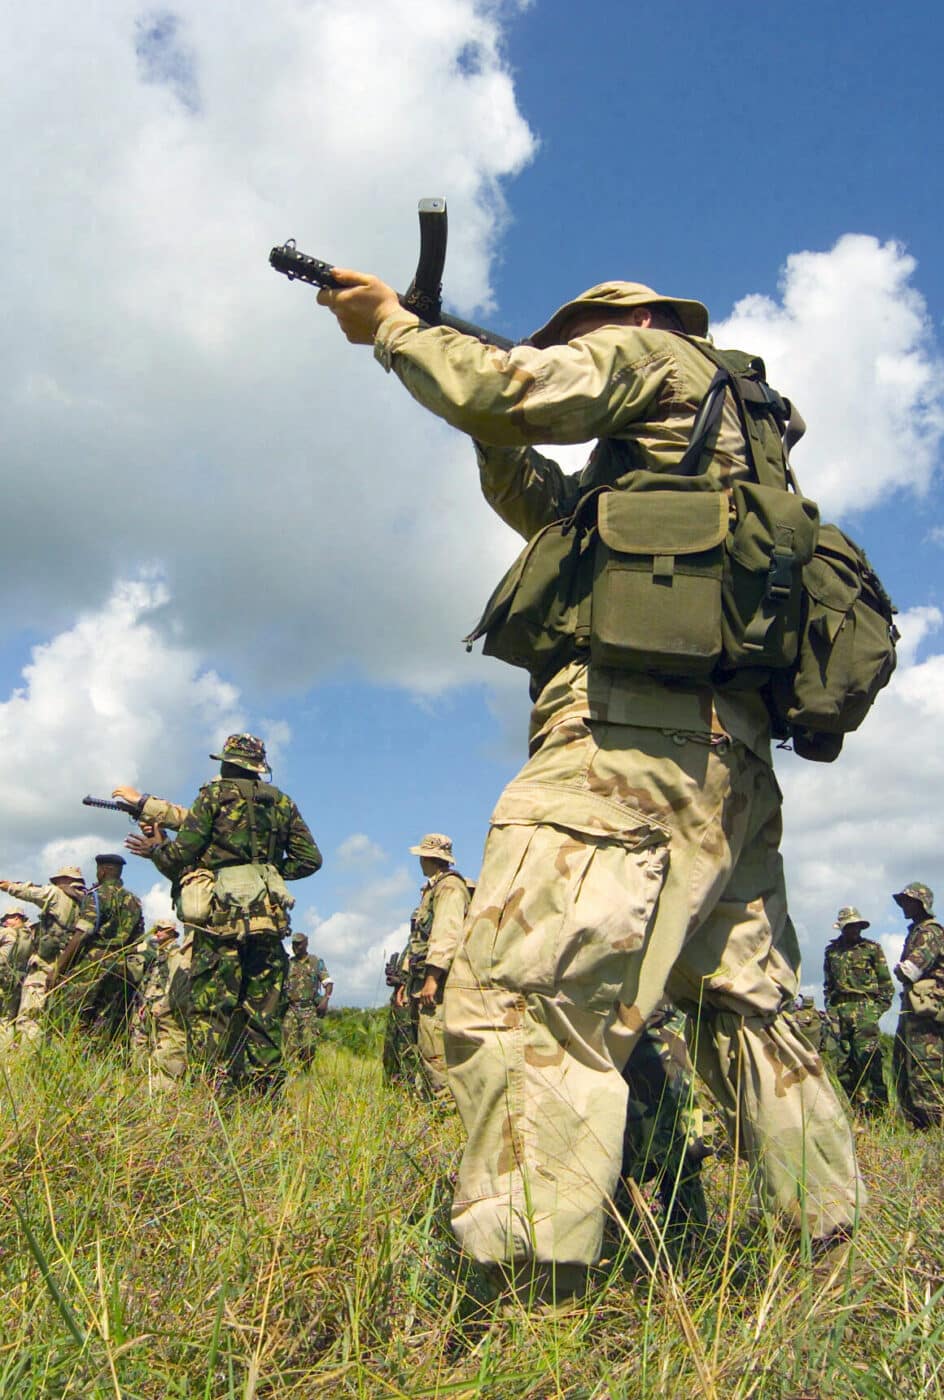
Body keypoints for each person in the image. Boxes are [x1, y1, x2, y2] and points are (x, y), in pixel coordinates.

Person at [317, 271, 863, 1295]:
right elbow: (541, 506)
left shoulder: (652, 355)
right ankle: (828, 1254)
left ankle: (529, 1291)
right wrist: (482, 416)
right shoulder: (707, 450)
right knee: (749, 1014)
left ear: (640, 322)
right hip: (723, 763)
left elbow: (503, 388)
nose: (578, 345)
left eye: (585, 332)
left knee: (531, 994)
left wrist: (392, 329)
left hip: (625, 746)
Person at [126, 733, 322, 1092]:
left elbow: (180, 857)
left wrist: (157, 849)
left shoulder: (213, 796)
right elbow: (311, 860)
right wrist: (270, 872)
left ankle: (210, 1097)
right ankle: (263, 1103)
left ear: (226, 763)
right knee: (264, 1017)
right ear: (259, 767)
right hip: (268, 924)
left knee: (210, 1014)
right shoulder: (282, 803)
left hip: (220, 927)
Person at [618, 1003, 710, 1244]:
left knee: (680, 1155)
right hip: (634, 1026)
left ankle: (691, 1238)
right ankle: (620, 1238)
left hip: (649, 1027)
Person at [403, 833, 472, 1109]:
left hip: (440, 982)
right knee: (423, 1045)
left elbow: (446, 933)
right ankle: (430, 1106)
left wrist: (433, 978)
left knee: (436, 1050)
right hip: (423, 978)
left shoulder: (449, 889)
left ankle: (445, 1111)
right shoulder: (432, 889)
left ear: (428, 857)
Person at [56, 854, 144, 1042]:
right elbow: (138, 938)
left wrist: (58, 970)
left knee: (70, 1016)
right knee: (108, 1022)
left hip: (94, 965)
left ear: (102, 871)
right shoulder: (134, 901)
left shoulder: (97, 896)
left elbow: (82, 934)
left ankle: (73, 1061)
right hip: (122, 968)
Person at [0, 865, 85, 1042]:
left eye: (59, 880)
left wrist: (9, 886)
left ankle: (25, 1064)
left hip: (44, 967)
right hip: (67, 966)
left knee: (29, 1018)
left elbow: (32, 893)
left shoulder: (56, 894)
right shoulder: (85, 902)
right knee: (51, 1020)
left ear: (66, 880)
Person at [822, 907, 892, 1115]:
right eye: (848, 926)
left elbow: (887, 986)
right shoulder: (832, 951)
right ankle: (854, 1110)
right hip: (839, 1013)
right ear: (842, 928)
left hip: (865, 1010)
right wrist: (831, 1011)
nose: (852, 930)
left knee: (869, 1060)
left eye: (855, 926)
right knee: (842, 1065)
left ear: (860, 926)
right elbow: (828, 986)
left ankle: (878, 1112)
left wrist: (873, 1011)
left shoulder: (872, 949)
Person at [891, 882, 944, 1129]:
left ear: (922, 904)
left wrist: (899, 970)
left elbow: (910, 970)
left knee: (925, 1068)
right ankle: (916, 1126)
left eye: (909, 900)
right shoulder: (917, 931)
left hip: (926, 1011)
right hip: (914, 1009)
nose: (905, 905)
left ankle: (934, 1127)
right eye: (903, 901)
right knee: (904, 1066)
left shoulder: (930, 932)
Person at [131, 921, 188, 1087]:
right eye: (156, 931)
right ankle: (140, 1081)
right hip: (149, 1004)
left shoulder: (175, 954)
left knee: (162, 1047)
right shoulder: (157, 955)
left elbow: (174, 982)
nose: (157, 934)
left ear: (171, 933)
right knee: (140, 1044)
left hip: (161, 1008)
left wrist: (163, 1006)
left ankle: (160, 1085)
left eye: (161, 931)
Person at [283, 932, 332, 1068]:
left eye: (299, 944)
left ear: (306, 943)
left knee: (309, 1044)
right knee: (289, 1043)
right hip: (291, 1008)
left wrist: (325, 1000)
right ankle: (292, 1073)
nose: (296, 947)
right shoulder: (288, 964)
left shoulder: (316, 962)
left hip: (309, 1009)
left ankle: (306, 1070)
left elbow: (328, 982)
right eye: (294, 944)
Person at [0, 910, 33, 1050]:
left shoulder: (8, 932)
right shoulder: (29, 935)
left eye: (7, 918)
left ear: (17, 917)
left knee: (3, 1018)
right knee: (10, 1018)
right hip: (20, 978)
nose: (5, 921)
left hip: (5, 977)